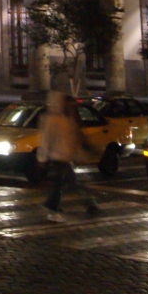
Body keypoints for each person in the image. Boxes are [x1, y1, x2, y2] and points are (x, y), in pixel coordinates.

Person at [37, 90, 100, 222]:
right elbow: (46, 140)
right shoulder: (53, 119)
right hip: (58, 157)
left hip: (64, 157)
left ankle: (52, 204)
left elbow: (73, 138)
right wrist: (42, 158)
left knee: (63, 183)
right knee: (69, 183)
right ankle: (87, 204)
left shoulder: (66, 118)